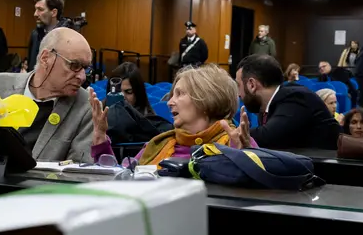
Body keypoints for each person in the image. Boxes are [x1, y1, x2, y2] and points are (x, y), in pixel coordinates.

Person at [89, 64, 250, 165]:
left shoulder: (237, 142)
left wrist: (244, 159)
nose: (169, 102)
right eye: (172, 94)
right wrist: (101, 139)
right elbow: (122, 181)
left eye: (179, 94)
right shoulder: (158, 144)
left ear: (206, 100)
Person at [0, 27, 93, 162]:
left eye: (85, 68)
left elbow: (78, 175)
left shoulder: (86, 108)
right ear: (45, 58)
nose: (82, 76)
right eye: (74, 65)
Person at [236, 55, 341, 149]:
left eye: (239, 85)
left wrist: (233, 134)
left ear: (252, 85)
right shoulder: (267, 108)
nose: (239, 94)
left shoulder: (296, 97)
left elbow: (269, 137)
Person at [26, 0, 64, 66]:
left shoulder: (66, 36)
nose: (35, 14)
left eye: (40, 10)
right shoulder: (35, 34)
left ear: (54, 13)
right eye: (35, 9)